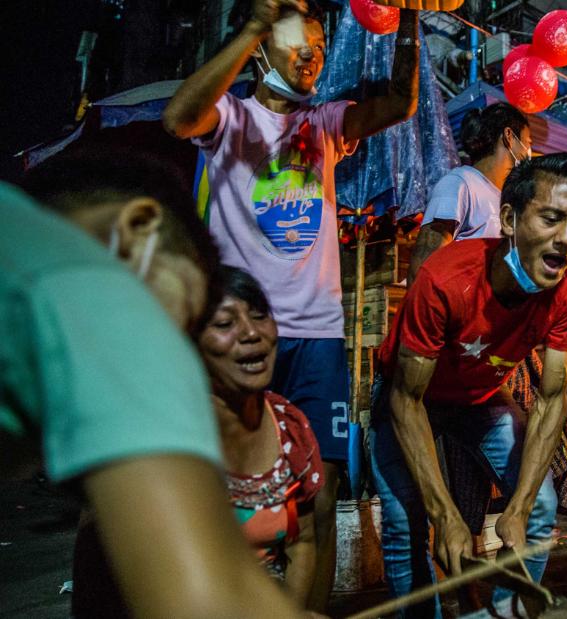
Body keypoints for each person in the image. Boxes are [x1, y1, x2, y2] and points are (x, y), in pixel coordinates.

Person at [162, 0, 421, 607]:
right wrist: (254, 20)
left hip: (317, 334)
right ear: (260, 52)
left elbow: (400, 104)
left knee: (322, 494)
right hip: (238, 333)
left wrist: (410, 15)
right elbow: (179, 117)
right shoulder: (228, 116)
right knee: (228, 491)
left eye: (318, 48)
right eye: (295, 44)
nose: (311, 56)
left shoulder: (325, 123)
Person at [10, 151, 306, 618]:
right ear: (139, 229)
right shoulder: (96, 290)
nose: (175, 345)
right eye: (185, 313)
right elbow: (209, 604)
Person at [372, 153, 567, 617]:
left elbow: (552, 401)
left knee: (538, 508)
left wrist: (516, 509)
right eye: (552, 219)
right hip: (410, 397)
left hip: (479, 397)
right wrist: (445, 516)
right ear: (510, 219)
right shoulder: (444, 279)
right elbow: (406, 399)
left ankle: (500, 615)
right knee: (406, 521)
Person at [198, 266, 325, 604]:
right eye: (225, 324)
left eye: (259, 316)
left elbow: (303, 544)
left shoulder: (291, 428)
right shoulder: (165, 437)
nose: (251, 333)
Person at [407, 101, 531, 285]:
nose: (528, 153)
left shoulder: (507, 201)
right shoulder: (459, 183)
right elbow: (423, 270)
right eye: (528, 143)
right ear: (509, 136)